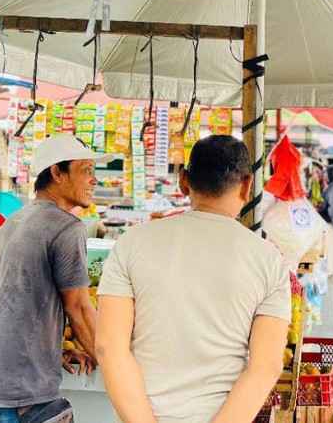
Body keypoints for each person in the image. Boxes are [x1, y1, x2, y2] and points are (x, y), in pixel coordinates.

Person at [96, 135, 291, 423]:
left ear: (184, 181)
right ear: (247, 185)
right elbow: (266, 366)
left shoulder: (132, 243)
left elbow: (109, 347)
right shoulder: (269, 260)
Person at [0, 134, 104, 423]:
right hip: (11, 388)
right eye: (86, 170)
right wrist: (113, 363)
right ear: (57, 173)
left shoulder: (17, 219)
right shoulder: (66, 227)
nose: (94, 180)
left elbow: (17, 299)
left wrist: (51, 349)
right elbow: (78, 307)